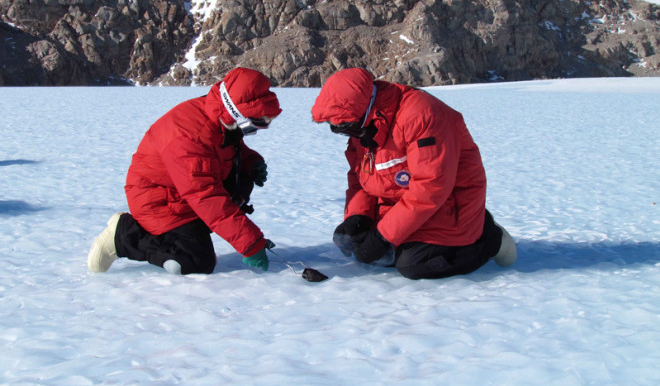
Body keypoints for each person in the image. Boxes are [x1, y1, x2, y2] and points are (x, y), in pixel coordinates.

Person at [311, 68, 516, 280]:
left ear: (363, 110)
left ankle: (490, 238)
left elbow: (431, 187)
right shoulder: (363, 125)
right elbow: (360, 177)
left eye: (345, 126)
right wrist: (358, 216)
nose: (344, 132)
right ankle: (402, 243)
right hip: (407, 206)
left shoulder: (423, 116)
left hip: (452, 206)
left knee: (415, 264)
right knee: (352, 241)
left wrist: (383, 237)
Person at [88, 67, 282, 275]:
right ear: (236, 114)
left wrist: (250, 162)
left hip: (182, 194)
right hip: (158, 201)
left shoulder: (219, 117)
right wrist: (250, 243)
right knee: (197, 262)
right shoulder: (189, 137)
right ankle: (123, 236)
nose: (255, 131)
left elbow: (225, 148)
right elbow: (206, 197)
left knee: (242, 179)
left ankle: (190, 235)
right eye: (254, 125)